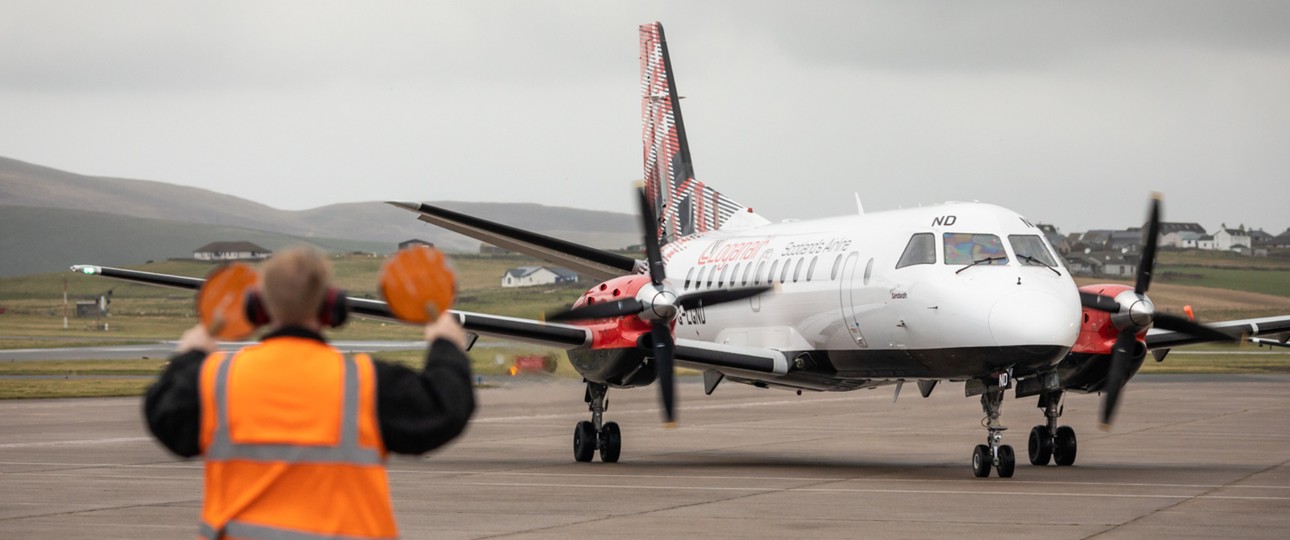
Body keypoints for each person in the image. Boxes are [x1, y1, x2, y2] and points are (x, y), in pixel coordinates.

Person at [144, 247, 475, 539]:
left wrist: (189, 355)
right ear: (332, 305)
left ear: (258, 306)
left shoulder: (218, 380)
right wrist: (446, 346)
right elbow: (445, 410)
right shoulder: (365, 382)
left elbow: (165, 417)